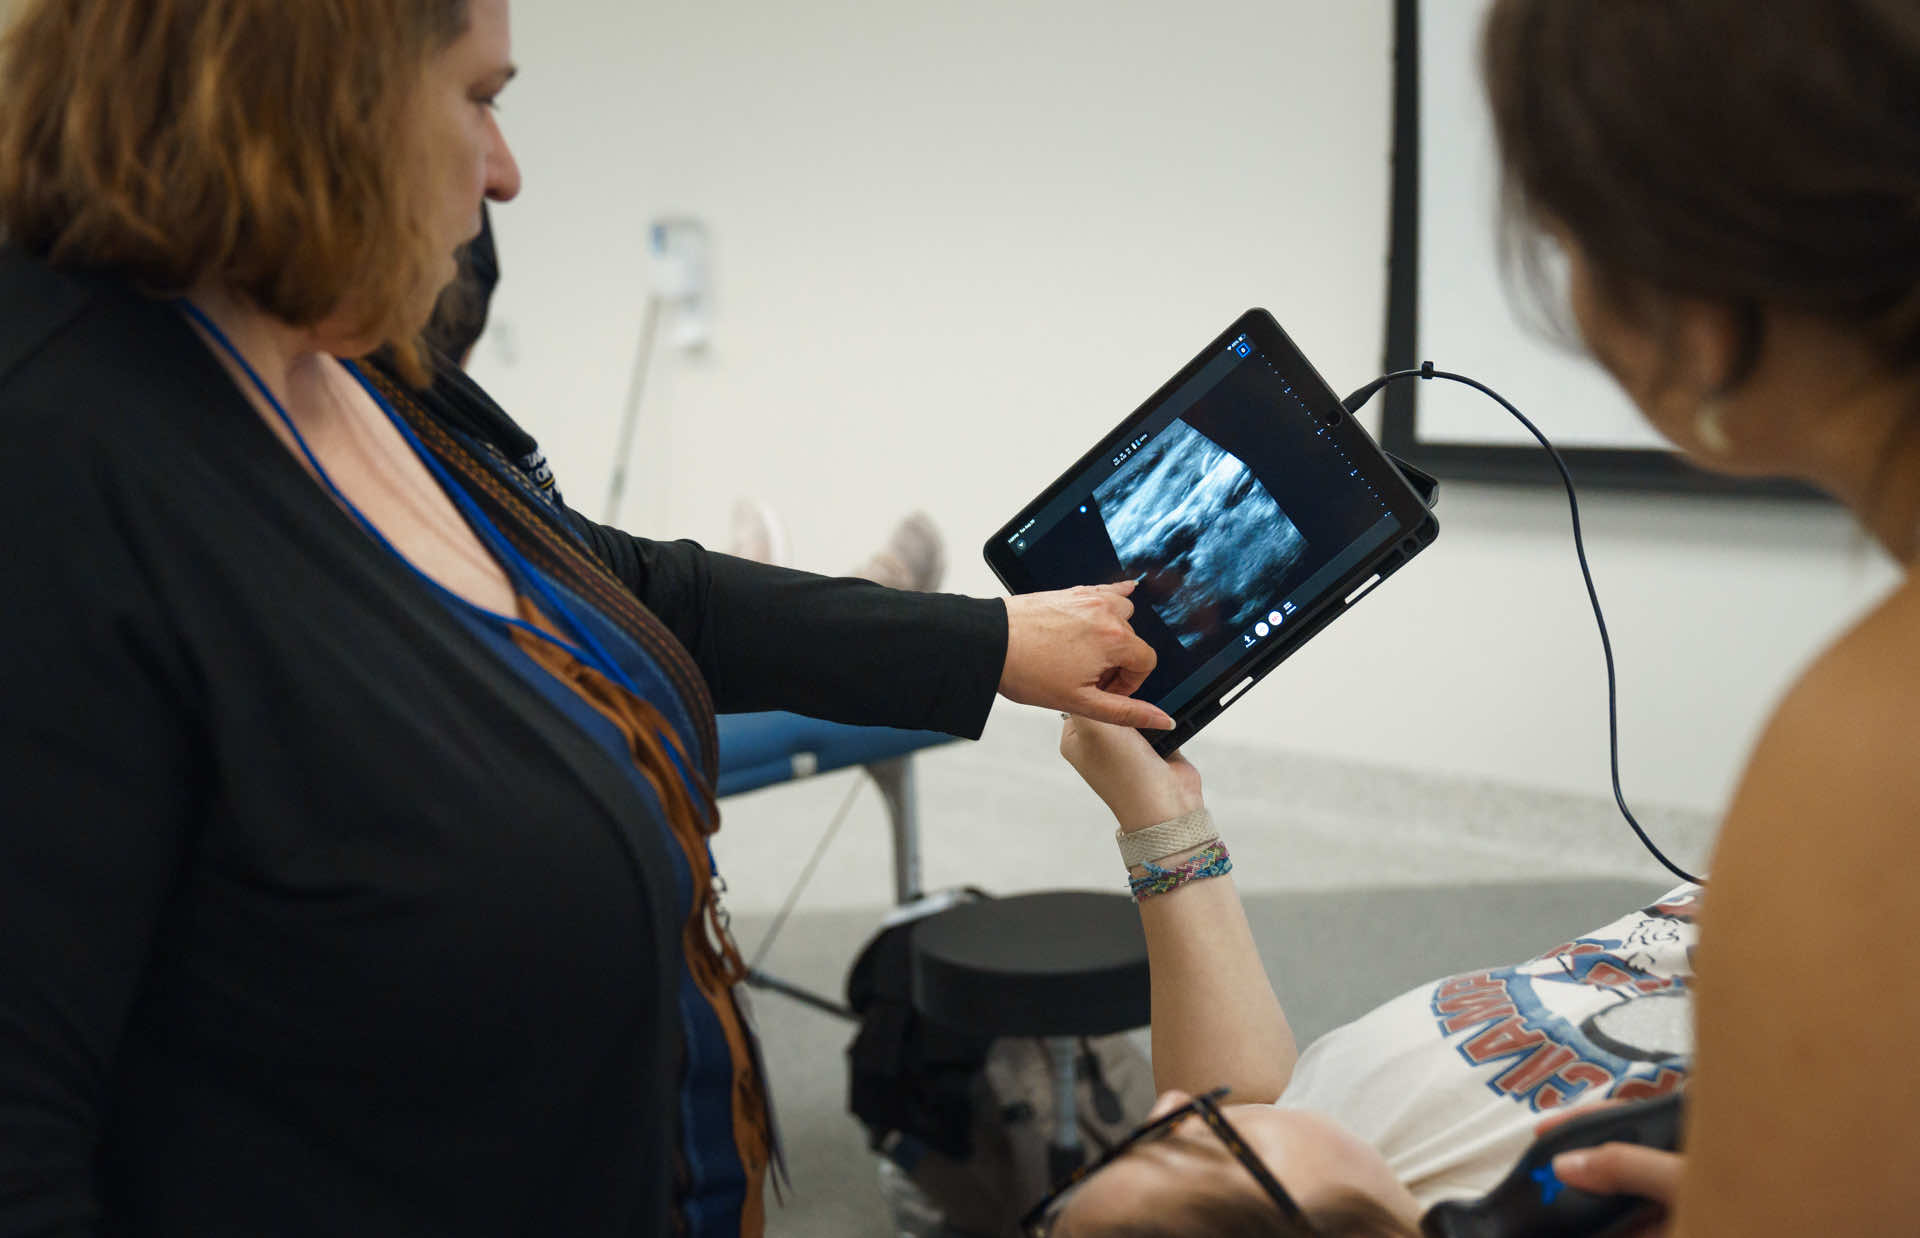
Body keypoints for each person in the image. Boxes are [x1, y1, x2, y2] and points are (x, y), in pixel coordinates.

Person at [0, 3, 1175, 1237]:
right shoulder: (55, 468)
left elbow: (623, 589)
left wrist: (989, 642)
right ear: (304, 96)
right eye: (479, 98)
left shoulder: (341, 363)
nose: (508, 172)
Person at [1039, 2, 1920, 1235]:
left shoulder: (1866, 755)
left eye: (1565, 240)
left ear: (1696, 312)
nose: (1179, 1111)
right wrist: (1162, 811)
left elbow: (1234, 1110)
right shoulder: (1865, 755)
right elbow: (1236, 1114)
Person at [1034, 717, 1693, 1238]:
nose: (1170, 1104)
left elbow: (1245, 1101)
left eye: (1138, 1143)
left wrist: (1162, 819)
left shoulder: (1339, 1164)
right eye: (1211, 1149)